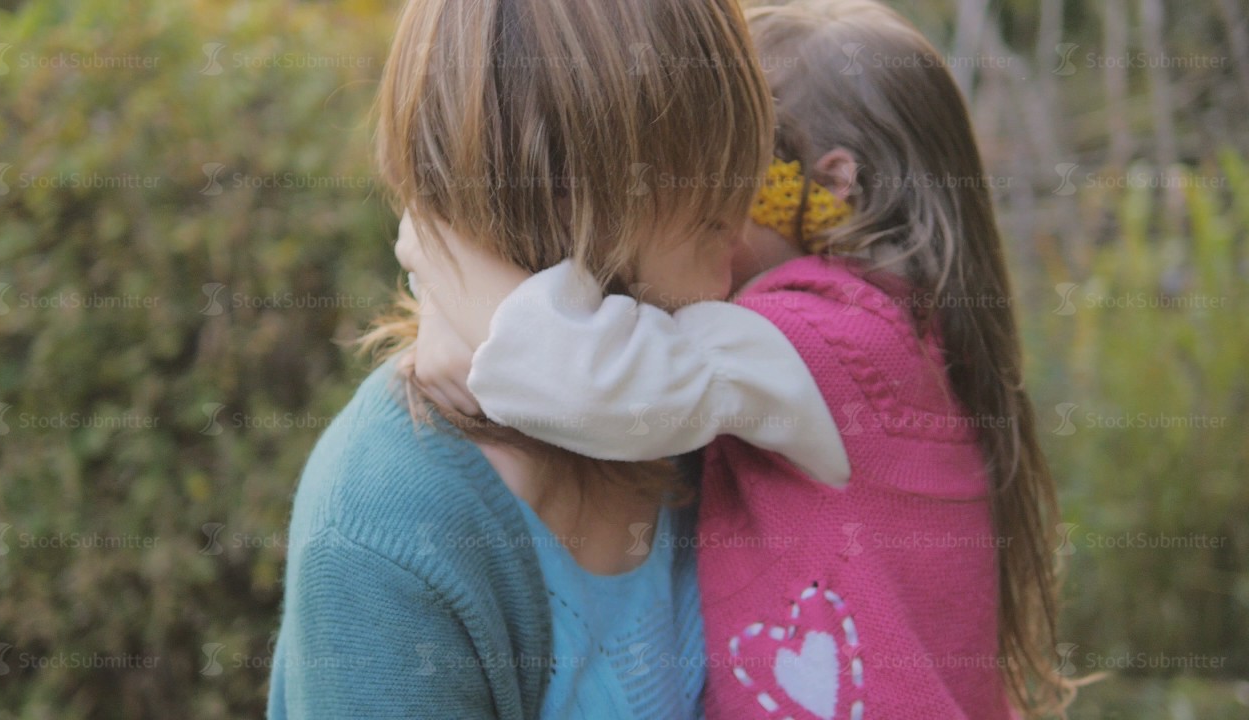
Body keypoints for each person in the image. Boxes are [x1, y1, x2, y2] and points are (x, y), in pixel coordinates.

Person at [398, 0, 1075, 716]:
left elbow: (586, 378)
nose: (702, 194)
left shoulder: (829, 345)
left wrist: (437, 250)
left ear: (832, 184)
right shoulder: (907, 343)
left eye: (733, 165)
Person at [265, 0, 783, 717]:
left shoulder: (697, 372)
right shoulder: (383, 536)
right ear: (566, 186)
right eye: (708, 195)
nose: (747, 208)